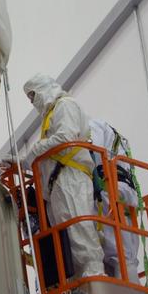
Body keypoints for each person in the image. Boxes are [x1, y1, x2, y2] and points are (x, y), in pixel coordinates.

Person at [22, 74, 104, 280]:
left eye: (33, 95)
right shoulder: (49, 117)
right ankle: (78, 280)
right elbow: (47, 157)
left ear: (44, 88)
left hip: (71, 177)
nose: (33, 102)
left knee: (79, 227)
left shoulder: (65, 105)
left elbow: (65, 137)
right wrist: (20, 161)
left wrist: (31, 154)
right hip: (57, 184)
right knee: (66, 237)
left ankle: (94, 274)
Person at [89, 119, 141, 281]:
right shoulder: (98, 128)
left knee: (122, 258)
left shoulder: (92, 127)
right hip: (113, 193)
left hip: (112, 193)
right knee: (119, 258)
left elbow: (92, 150)